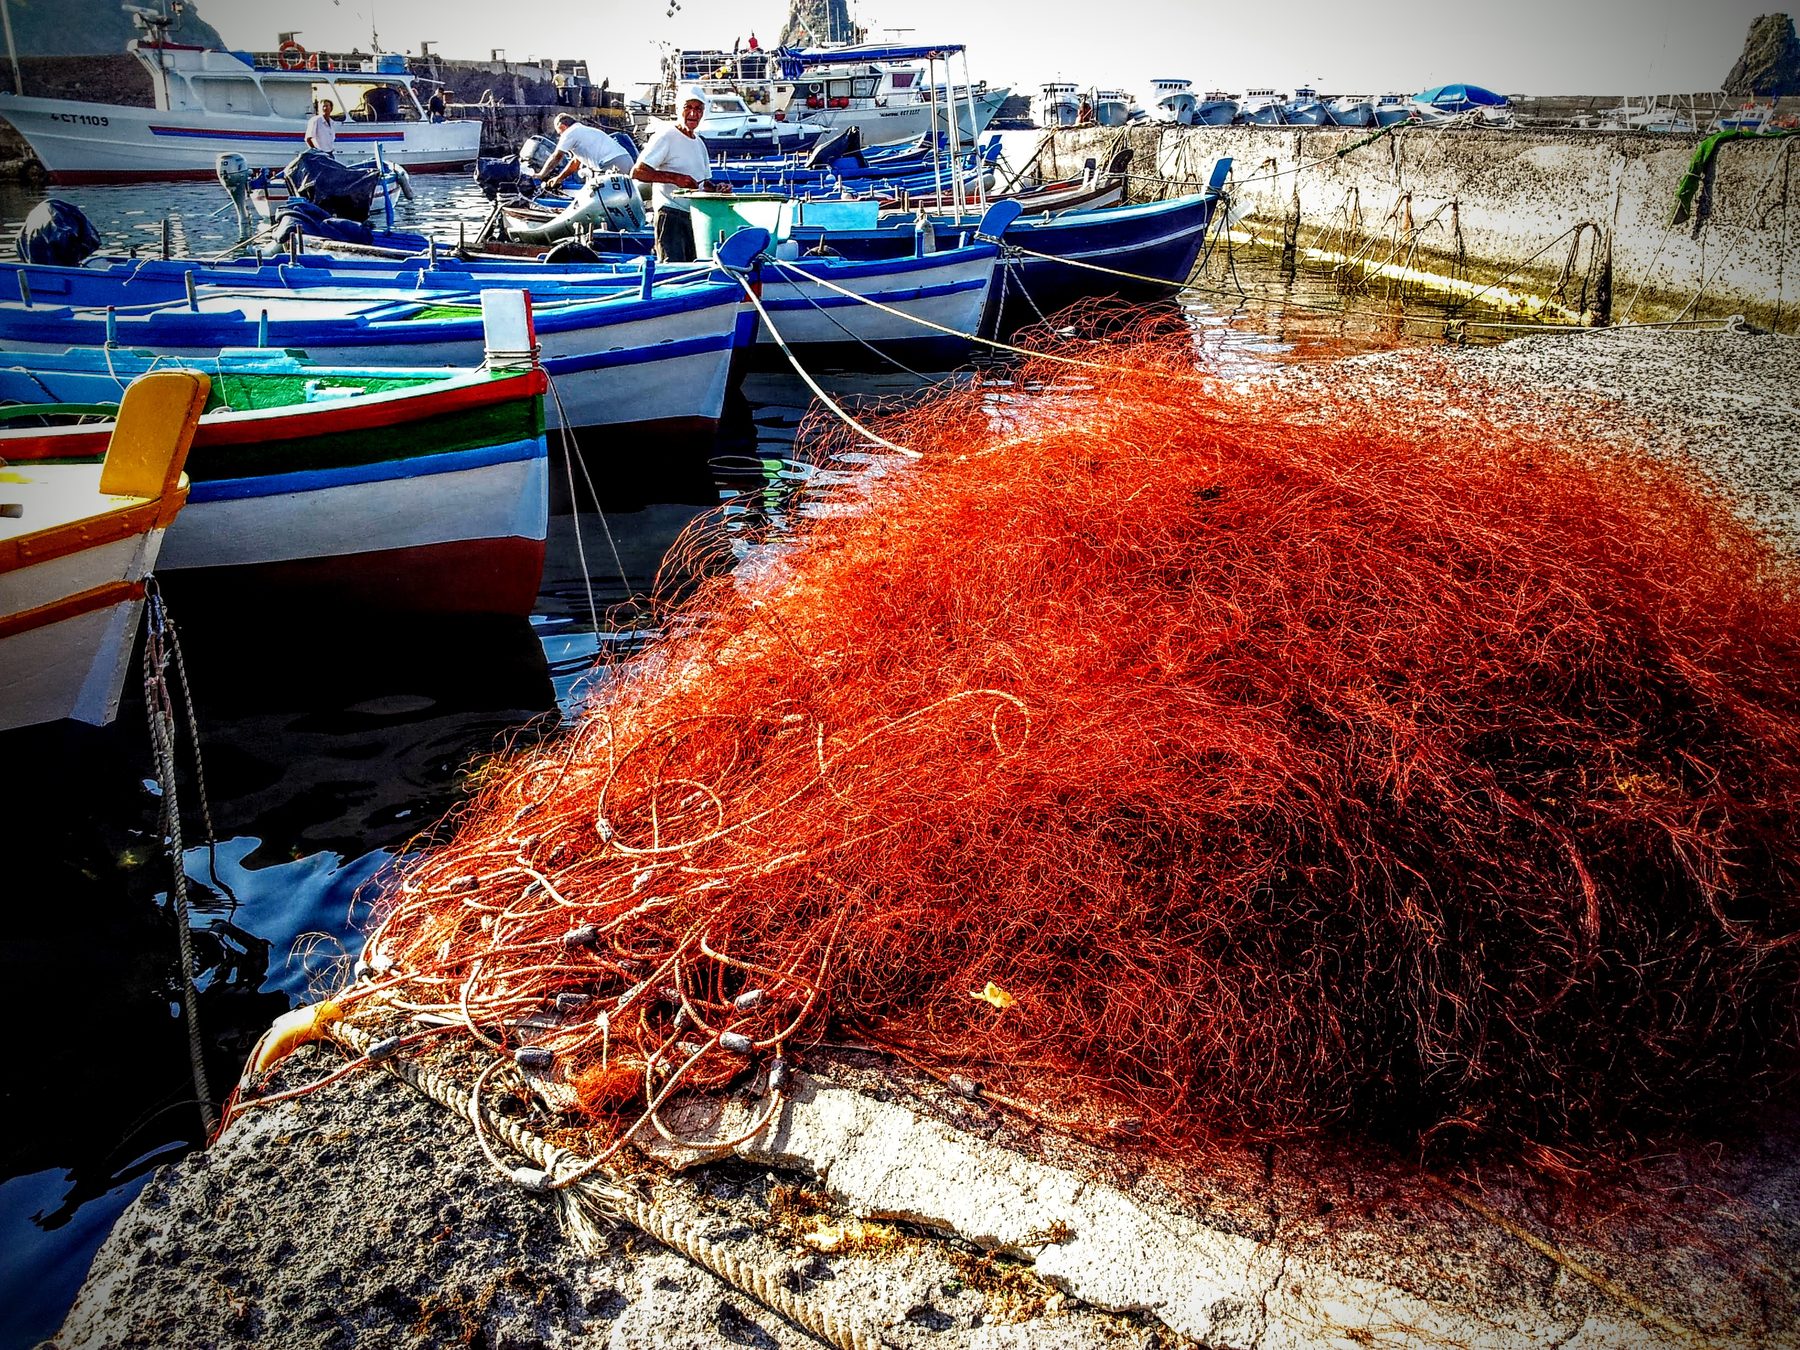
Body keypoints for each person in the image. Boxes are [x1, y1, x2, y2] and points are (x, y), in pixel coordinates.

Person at [632, 85, 723, 263]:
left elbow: (704, 184)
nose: (693, 114)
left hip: (694, 217)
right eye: (688, 107)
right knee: (672, 270)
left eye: (698, 109)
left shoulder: (699, 143)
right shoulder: (666, 135)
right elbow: (638, 172)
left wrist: (719, 189)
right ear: (678, 108)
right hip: (670, 215)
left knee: (693, 269)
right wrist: (675, 178)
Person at [537, 112, 633, 192]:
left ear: (562, 126)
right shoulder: (586, 131)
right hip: (626, 160)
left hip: (611, 163)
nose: (560, 135)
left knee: (599, 195)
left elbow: (556, 156)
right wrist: (559, 178)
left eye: (559, 132)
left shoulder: (569, 132)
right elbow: (575, 163)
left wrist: (541, 175)